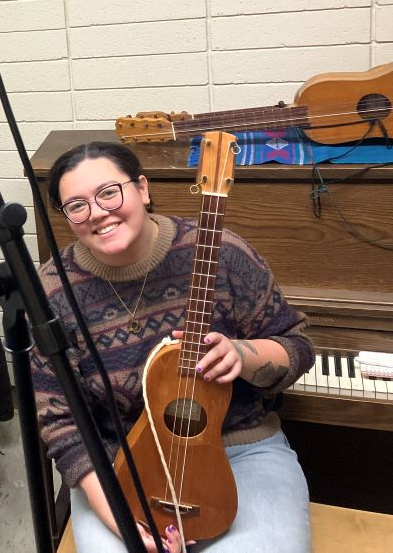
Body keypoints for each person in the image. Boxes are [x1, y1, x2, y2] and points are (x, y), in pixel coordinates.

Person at [31, 141, 314, 553]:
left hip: (239, 448)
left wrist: (242, 355)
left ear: (142, 188)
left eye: (109, 192)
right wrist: (122, 519)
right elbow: (60, 422)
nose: (97, 212)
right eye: (77, 205)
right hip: (121, 462)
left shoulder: (222, 253)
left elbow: (298, 346)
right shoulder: (53, 292)